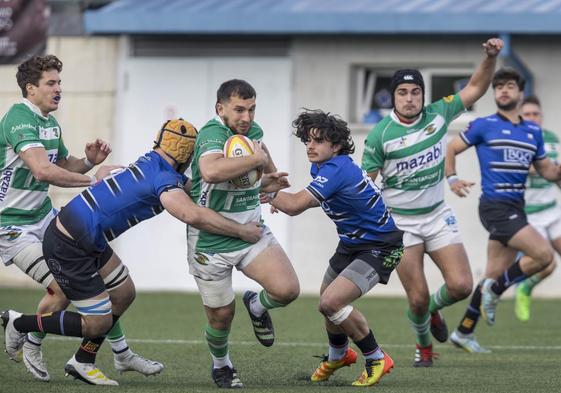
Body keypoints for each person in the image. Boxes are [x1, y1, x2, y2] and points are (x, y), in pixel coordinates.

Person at [1, 118, 273, 386]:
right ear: (187, 156)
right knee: (96, 323)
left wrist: (260, 186)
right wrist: (240, 231)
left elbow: (199, 191)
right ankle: (20, 323)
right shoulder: (165, 180)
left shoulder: (153, 163)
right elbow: (192, 213)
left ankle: (85, 360)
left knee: (124, 293)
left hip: (82, 236)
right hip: (69, 244)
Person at [0, 54, 162, 383]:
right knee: (64, 287)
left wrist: (87, 161)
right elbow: (43, 170)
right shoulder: (19, 117)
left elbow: (63, 165)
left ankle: (119, 353)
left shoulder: (49, 123)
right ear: (31, 89)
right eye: (51, 83)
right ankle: (29, 335)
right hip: (12, 227)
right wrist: (94, 179)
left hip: (44, 217)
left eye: (60, 82)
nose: (59, 89)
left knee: (104, 284)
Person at [361, 38, 503, 366]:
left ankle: (435, 314)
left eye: (415, 92)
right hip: (400, 224)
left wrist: (490, 57)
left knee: (461, 285)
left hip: (437, 216)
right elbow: (366, 184)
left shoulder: (439, 113)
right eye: (402, 92)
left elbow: (477, 87)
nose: (409, 98)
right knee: (418, 297)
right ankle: (423, 346)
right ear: (394, 97)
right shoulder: (380, 134)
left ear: (423, 95)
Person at [269, 109, 403, 386]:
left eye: (317, 141)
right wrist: (276, 196)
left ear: (336, 145)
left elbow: (294, 206)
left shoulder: (337, 168)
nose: (310, 145)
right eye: (307, 140)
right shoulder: (323, 167)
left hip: (381, 246)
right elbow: (316, 199)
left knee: (332, 302)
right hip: (352, 243)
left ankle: (377, 357)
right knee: (327, 303)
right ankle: (338, 355)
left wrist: (262, 191)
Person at [187, 79, 299, 388]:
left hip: (251, 230)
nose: (246, 118)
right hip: (210, 240)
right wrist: (258, 160)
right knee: (221, 316)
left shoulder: (253, 133)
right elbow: (211, 171)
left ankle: (257, 304)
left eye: (251, 109)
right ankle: (221, 364)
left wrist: (272, 185)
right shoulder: (212, 134)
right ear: (220, 108)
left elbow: (260, 169)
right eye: (238, 110)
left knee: (287, 289)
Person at [446, 68, 560, 352]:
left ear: (519, 93)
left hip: (516, 208)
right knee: (544, 256)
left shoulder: (532, 132)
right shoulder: (483, 124)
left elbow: (547, 171)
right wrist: (452, 178)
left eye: (509, 86)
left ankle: (463, 331)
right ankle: (495, 293)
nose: (503, 91)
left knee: (493, 272)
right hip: (494, 207)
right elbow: (450, 147)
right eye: (498, 87)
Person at [513, 95, 559, 321]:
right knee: (548, 262)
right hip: (529, 214)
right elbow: (525, 168)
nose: (532, 118)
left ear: (541, 117)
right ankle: (524, 288)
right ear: (521, 116)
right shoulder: (516, 138)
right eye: (527, 114)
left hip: (552, 209)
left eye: (535, 114)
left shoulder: (552, 139)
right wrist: (544, 167)